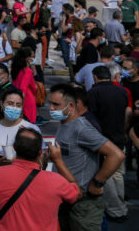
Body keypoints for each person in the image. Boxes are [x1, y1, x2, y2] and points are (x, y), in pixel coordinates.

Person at [49, 83, 125, 228]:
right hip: (67, 199)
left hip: (83, 204)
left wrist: (98, 182)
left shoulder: (81, 128)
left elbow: (116, 155)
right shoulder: (64, 124)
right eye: (50, 103)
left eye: (56, 104)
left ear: (71, 106)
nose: (51, 108)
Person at [0, 128, 79, 231]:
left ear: (14, 147)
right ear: (40, 152)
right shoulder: (57, 181)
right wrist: (58, 161)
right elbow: (76, 194)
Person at [84, 65, 130, 221]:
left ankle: (115, 209)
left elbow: (90, 120)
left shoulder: (93, 93)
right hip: (119, 138)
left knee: (106, 175)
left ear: (95, 77)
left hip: (103, 141)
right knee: (118, 174)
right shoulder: (122, 91)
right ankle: (121, 204)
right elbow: (126, 112)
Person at [0, 87, 37, 162]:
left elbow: (40, 160)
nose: (14, 107)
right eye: (10, 103)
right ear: (1, 104)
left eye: (18, 105)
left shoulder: (31, 129)